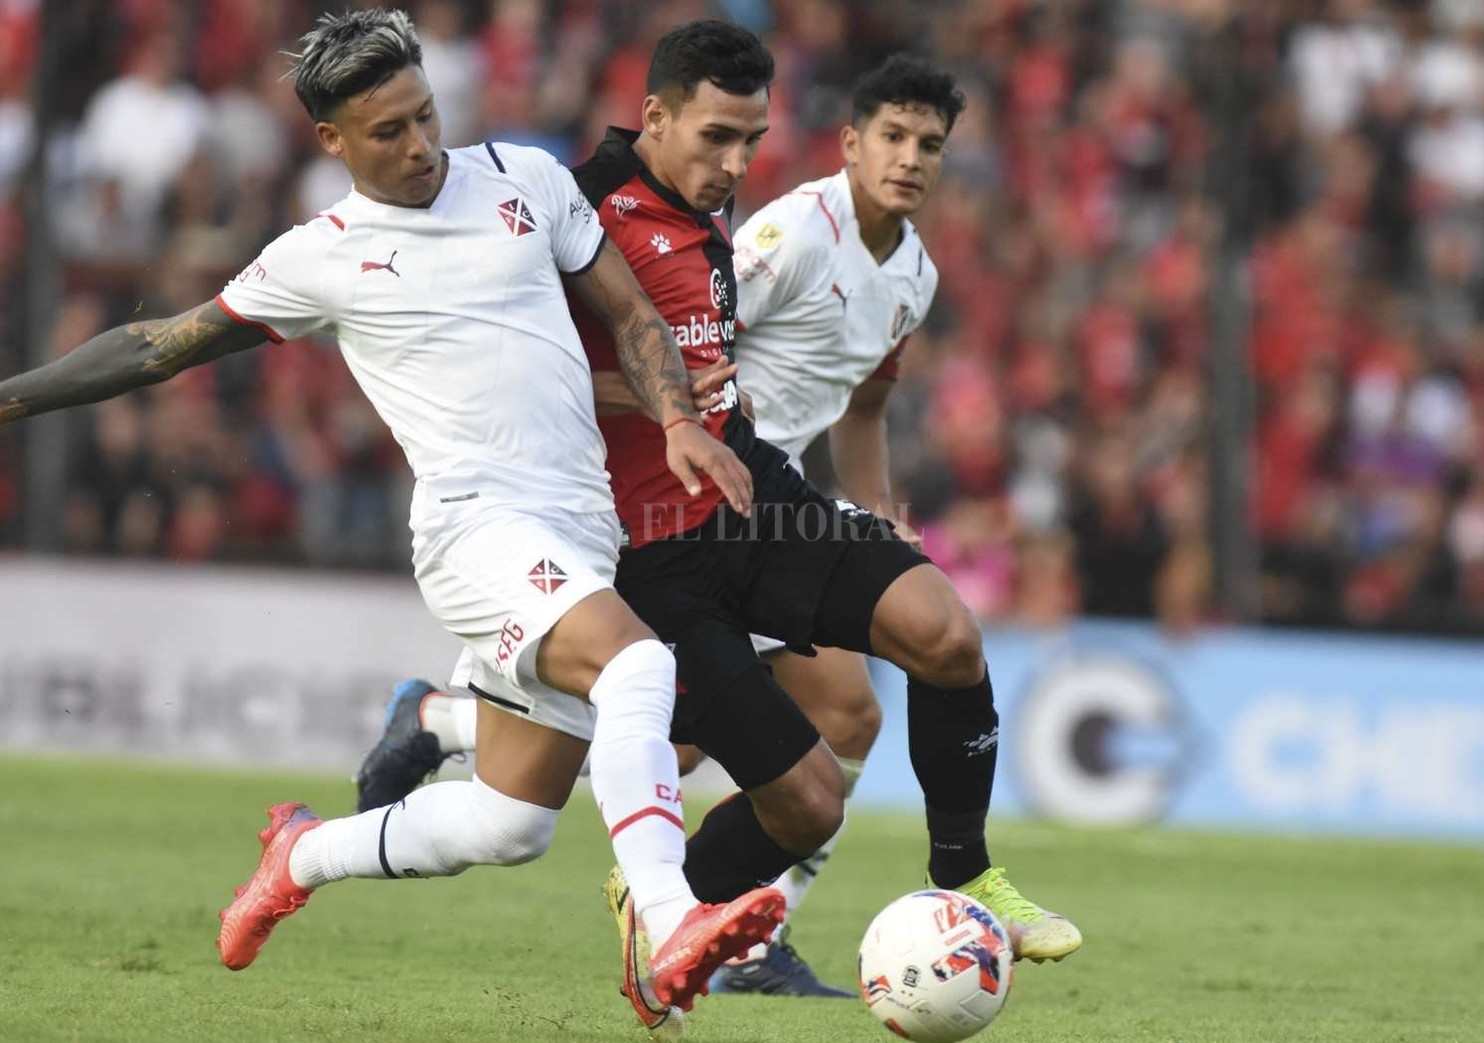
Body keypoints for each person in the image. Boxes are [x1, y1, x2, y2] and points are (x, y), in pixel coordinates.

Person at [0, 8, 783, 1022]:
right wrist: (9, 398)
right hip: (474, 527)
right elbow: (155, 344)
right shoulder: (320, 254)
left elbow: (631, 315)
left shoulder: (527, 178)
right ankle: (668, 910)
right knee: (638, 664)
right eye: (387, 131)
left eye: (425, 115)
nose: (418, 146)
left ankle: (300, 851)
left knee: (510, 821)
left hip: (578, 524)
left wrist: (676, 413)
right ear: (332, 140)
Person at [352, 22, 1083, 1013]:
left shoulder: (876, 263)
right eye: (717, 139)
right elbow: (533, 374)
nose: (736, 166)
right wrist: (665, 403)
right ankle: (665, 901)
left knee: (941, 632)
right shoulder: (587, 214)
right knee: (761, 773)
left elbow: (857, 401)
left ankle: (958, 874)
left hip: (757, 494)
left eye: (749, 141)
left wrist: (869, 517)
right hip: (642, 550)